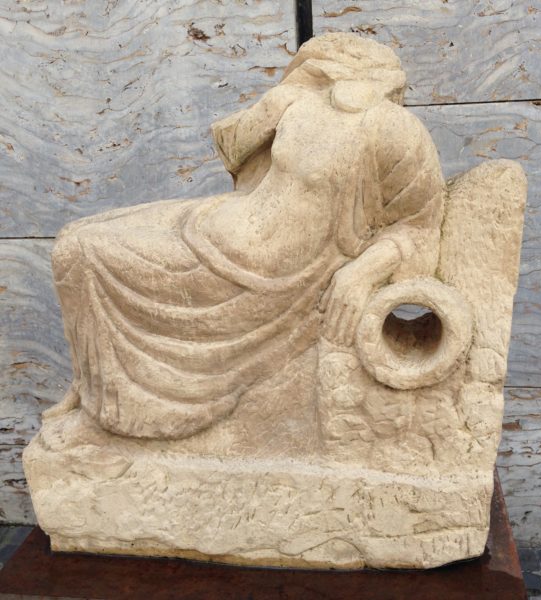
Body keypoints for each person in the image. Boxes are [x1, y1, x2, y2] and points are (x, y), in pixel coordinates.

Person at [49, 33, 446, 439]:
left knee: (80, 252)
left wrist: (361, 273)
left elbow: (419, 226)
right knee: (76, 235)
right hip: (221, 222)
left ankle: (106, 413)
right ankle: (87, 389)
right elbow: (232, 149)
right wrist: (276, 103)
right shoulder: (301, 105)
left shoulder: (393, 128)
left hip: (267, 269)